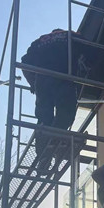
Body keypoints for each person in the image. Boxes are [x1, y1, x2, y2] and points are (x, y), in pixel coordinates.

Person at [21, 29, 91, 168]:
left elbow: (25, 62)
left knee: (44, 117)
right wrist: (86, 68)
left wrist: (32, 83)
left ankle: (43, 156)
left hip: (42, 80)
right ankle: (56, 139)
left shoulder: (39, 41)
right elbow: (88, 49)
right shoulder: (70, 35)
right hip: (64, 77)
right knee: (66, 112)